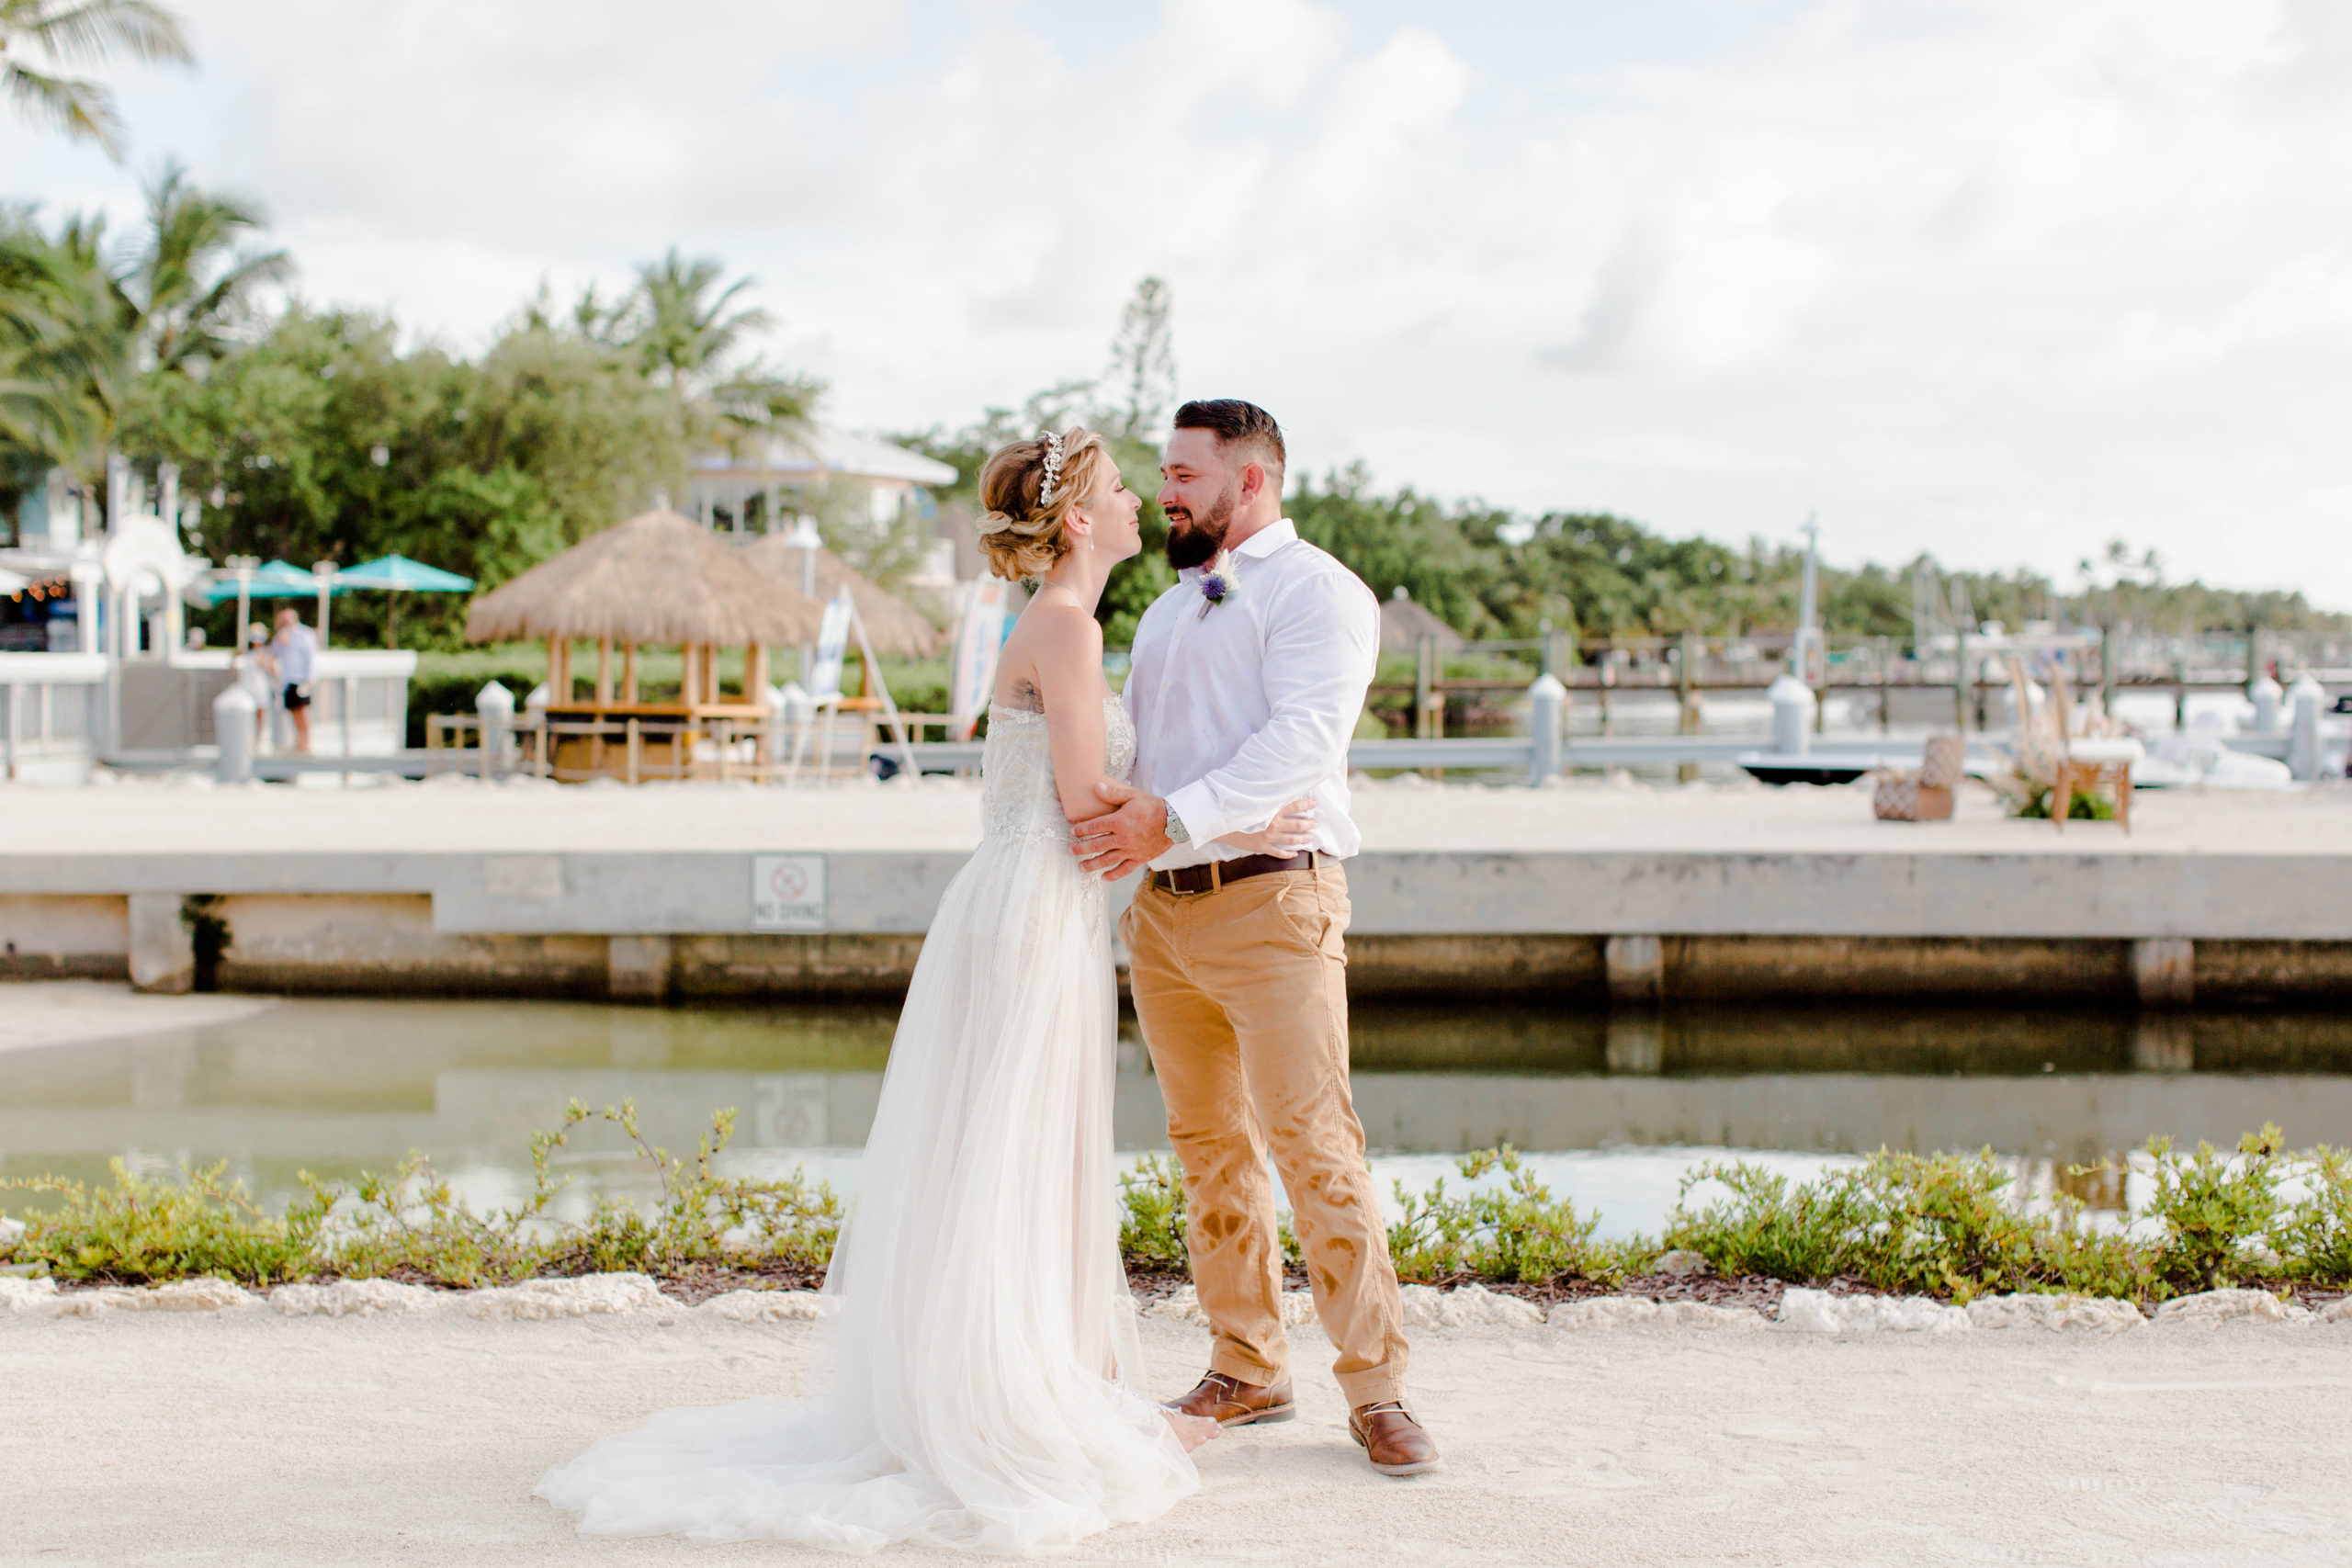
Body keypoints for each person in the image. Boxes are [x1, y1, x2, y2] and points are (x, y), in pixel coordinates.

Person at [537, 426, 1317, 1556]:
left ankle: (1036, 1374)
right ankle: (1013, 1398)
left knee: (1029, 1150)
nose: (1139, 501)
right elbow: (1094, 797)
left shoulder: (1065, 625)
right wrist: (1247, 818)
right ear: (1075, 518)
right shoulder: (1061, 628)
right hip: (1034, 907)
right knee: (1020, 1151)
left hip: (1037, 902)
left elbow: (1099, 801)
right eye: (1114, 489)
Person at [1070, 399, 1438, 1477]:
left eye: (1183, 473)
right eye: (1165, 474)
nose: (1166, 490)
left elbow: (1305, 738)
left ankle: (1376, 1388)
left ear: (1253, 479)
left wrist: (1184, 814)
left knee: (1316, 1148)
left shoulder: (1320, 591)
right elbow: (1141, 751)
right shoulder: (1167, 610)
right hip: (1164, 913)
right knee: (1206, 1150)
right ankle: (1247, 1363)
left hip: (1275, 904)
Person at [268, 607, 319, 755]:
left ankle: (306, 742)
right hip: (287, 679)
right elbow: (274, 653)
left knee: (303, 711)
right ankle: (299, 742)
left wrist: (310, 678)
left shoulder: (305, 634)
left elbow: (310, 657)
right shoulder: (282, 636)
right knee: (294, 712)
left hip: (301, 678)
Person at [234, 623, 275, 751]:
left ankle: (259, 740)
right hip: (247, 688)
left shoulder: (267, 653)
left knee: (260, 715)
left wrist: (265, 663)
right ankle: (246, 739)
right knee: (247, 715)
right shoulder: (245, 653)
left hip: (261, 688)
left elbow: (274, 671)